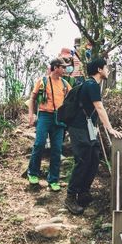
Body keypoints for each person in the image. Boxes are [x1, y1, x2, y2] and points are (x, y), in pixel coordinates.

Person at [65, 58, 122, 216]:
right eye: (106, 67)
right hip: (78, 127)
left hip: (88, 128)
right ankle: (71, 196)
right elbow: (99, 107)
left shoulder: (93, 85)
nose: (108, 70)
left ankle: (83, 193)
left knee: (94, 157)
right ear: (99, 69)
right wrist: (109, 129)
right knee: (83, 159)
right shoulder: (91, 85)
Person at [26, 58, 70, 192]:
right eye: (63, 67)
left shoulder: (65, 83)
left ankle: (53, 180)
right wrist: (31, 115)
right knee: (39, 144)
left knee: (57, 149)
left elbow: (72, 98)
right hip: (45, 116)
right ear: (56, 67)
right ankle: (33, 173)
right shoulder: (42, 81)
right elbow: (32, 98)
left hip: (59, 118)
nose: (65, 70)